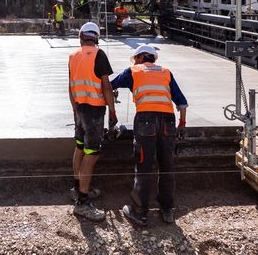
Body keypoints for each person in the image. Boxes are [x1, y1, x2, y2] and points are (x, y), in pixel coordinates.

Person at [111, 45, 187, 226]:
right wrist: (182, 124)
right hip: (168, 120)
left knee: (144, 165)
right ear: (153, 58)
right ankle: (167, 209)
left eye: (135, 58)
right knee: (167, 164)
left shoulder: (133, 71)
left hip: (146, 120)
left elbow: (110, 85)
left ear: (140, 57)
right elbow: (182, 102)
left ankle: (140, 213)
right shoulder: (166, 72)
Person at [68, 21, 117, 222]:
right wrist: (112, 112)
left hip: (79, 108)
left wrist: (75, 110)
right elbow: (106, 86)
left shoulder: (73, 56)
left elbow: (70, 87)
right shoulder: (99, 54)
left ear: (81, 37)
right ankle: (82, 201)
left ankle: (77, 187)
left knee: (80, 147)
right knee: (92, 154)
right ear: (96, 37)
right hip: (95, 111)